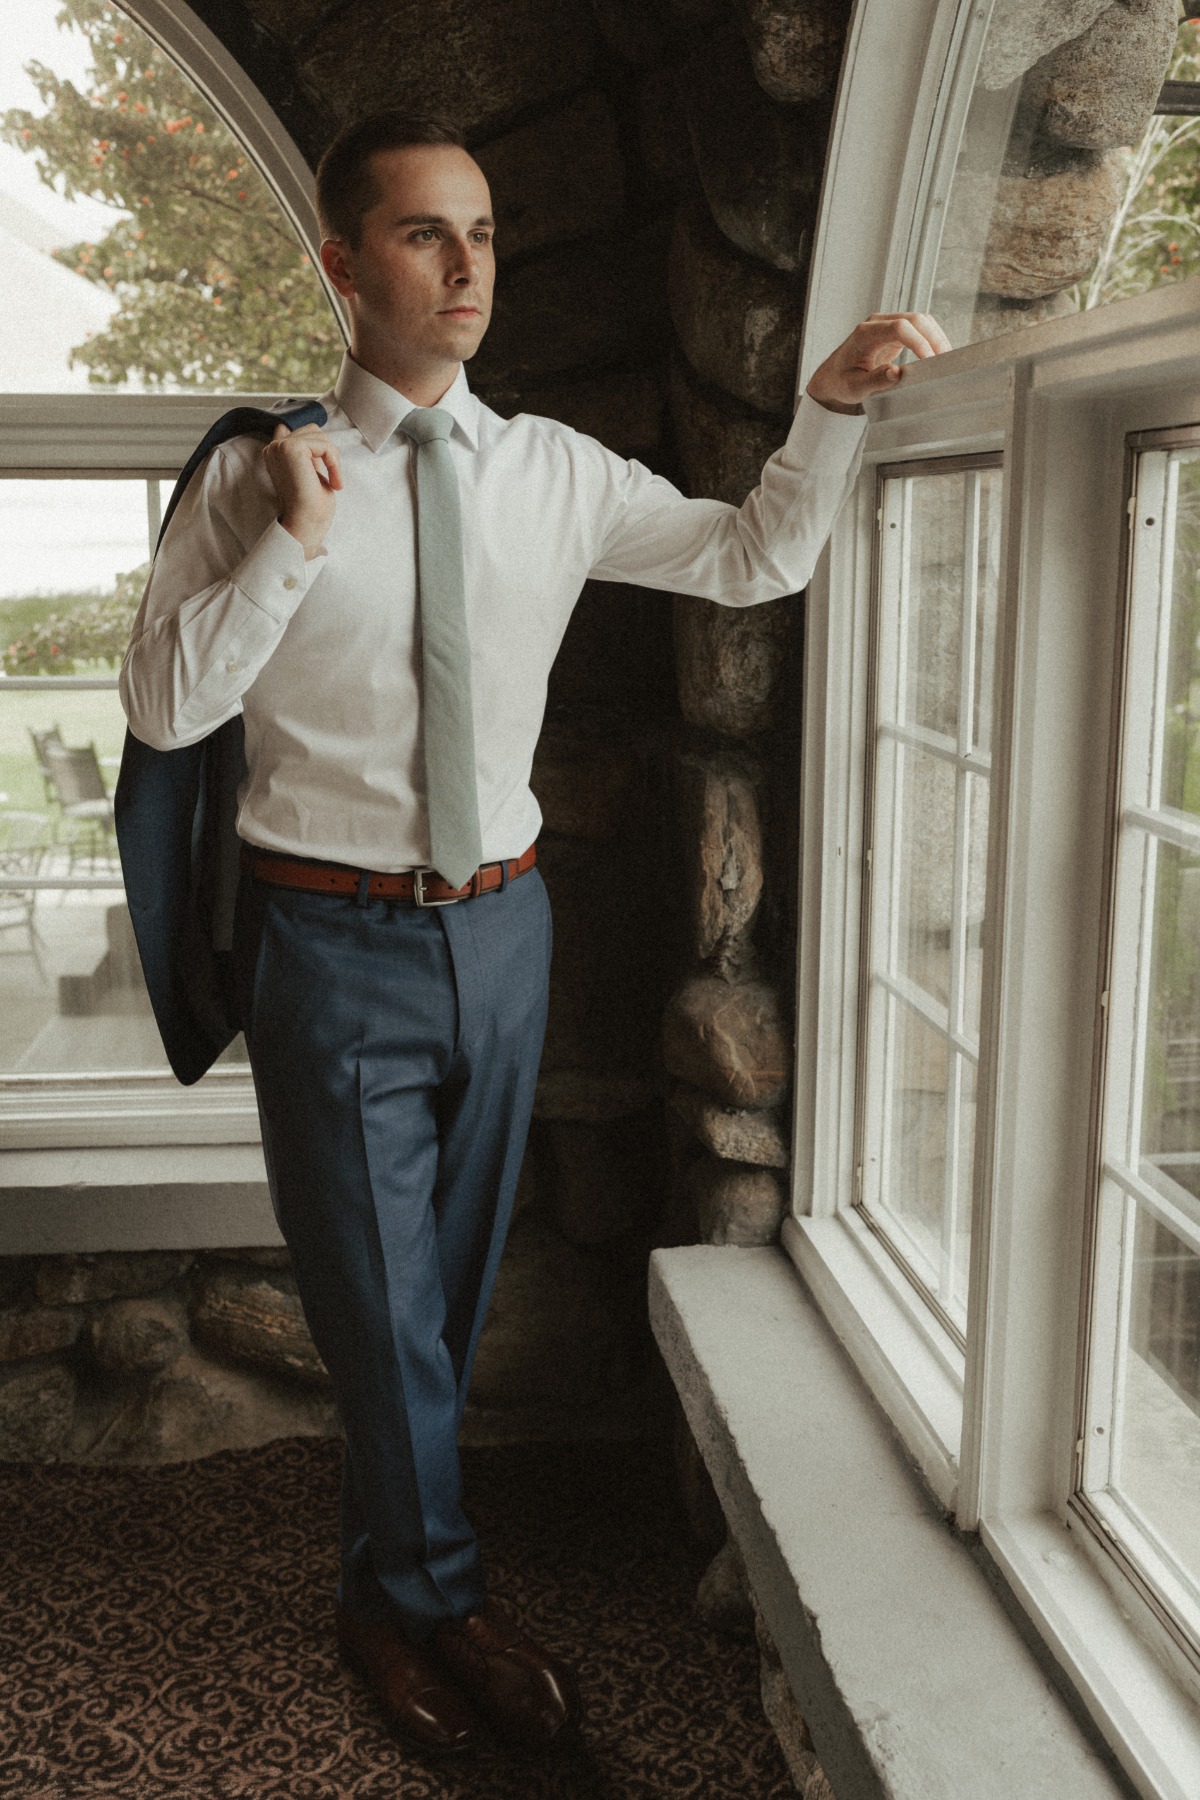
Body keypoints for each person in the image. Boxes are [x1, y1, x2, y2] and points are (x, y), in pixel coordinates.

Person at [119, 111, 949, 1759]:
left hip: (503, 937)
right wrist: (293, 536)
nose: (468, 264)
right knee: (376, 1305)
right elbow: (163, 703)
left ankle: (385, 1592)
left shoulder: (553, 473)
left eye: (484, 231)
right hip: (328, 946)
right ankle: (439, 1604)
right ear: (345, 266)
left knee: (434, 1303)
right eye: (426, 235)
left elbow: (751, 555)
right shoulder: (253, 475)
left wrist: (831, 415)